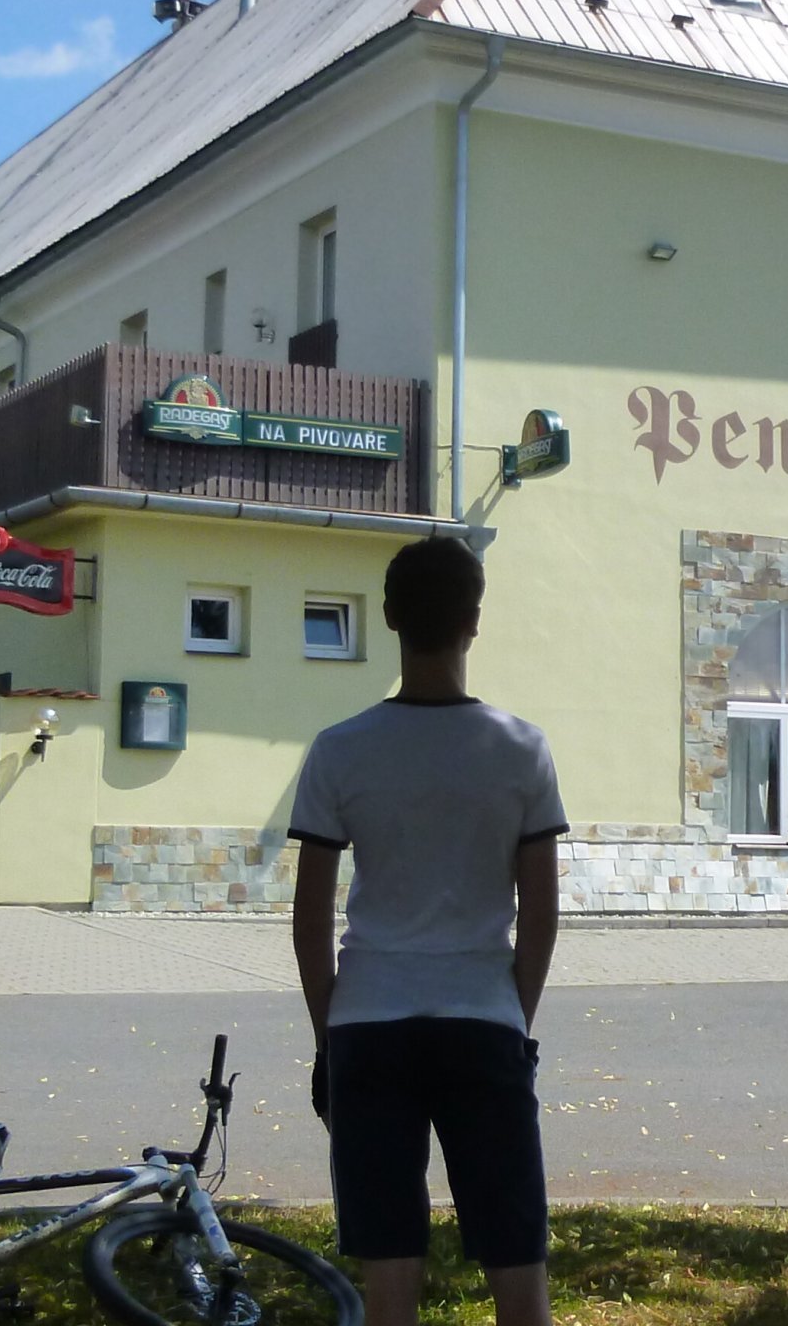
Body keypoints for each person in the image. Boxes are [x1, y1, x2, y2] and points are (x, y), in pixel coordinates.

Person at [289, 537, 566, 1326]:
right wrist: (515, 1017)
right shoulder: (521, 748)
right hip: (483, 1020)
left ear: (387, 618)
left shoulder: (339, 750)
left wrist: (329, 1040)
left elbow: (310, 919)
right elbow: (541, 912)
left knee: (390, 1279)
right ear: (473, 621)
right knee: (519, 1264)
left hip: (368, 1028)